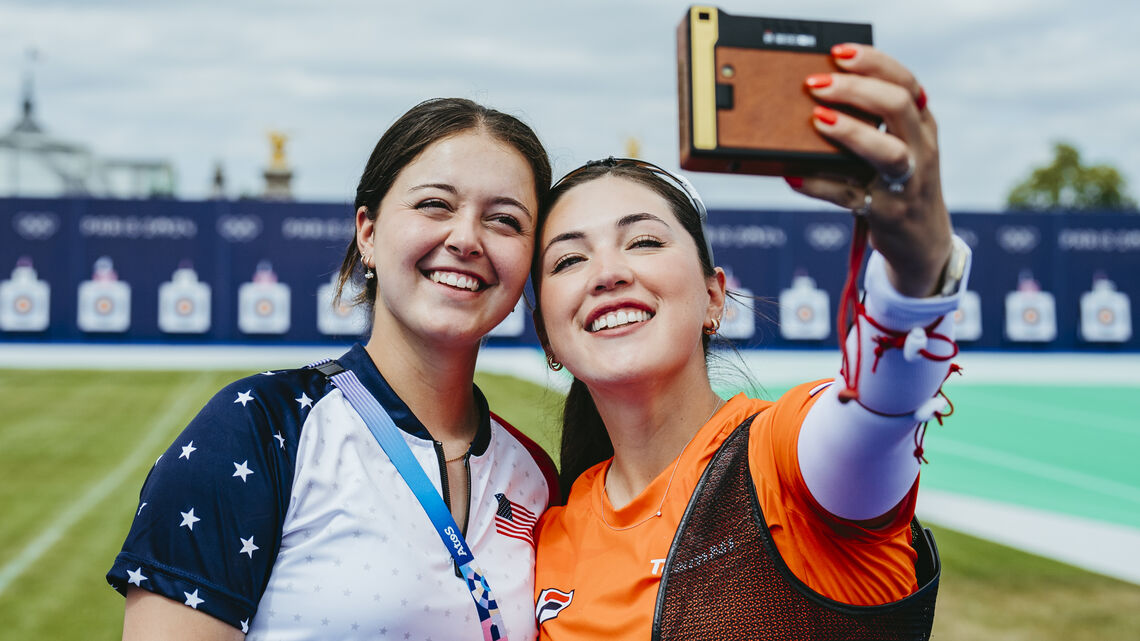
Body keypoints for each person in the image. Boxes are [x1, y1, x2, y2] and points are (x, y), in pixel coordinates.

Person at [531, 43, 970, 640]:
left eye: (644, 242)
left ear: (714, 297)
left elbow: (877, 412)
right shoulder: (549, 532)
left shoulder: (781, 460)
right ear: (548, 338)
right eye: (569, 259)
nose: (607, 272)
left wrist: (917, 277)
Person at [106, 98, 559, 641]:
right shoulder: (257, 430)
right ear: (367, 232)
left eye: (505, 220)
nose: (466, 238)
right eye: (436, 205)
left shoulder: (535, 474)